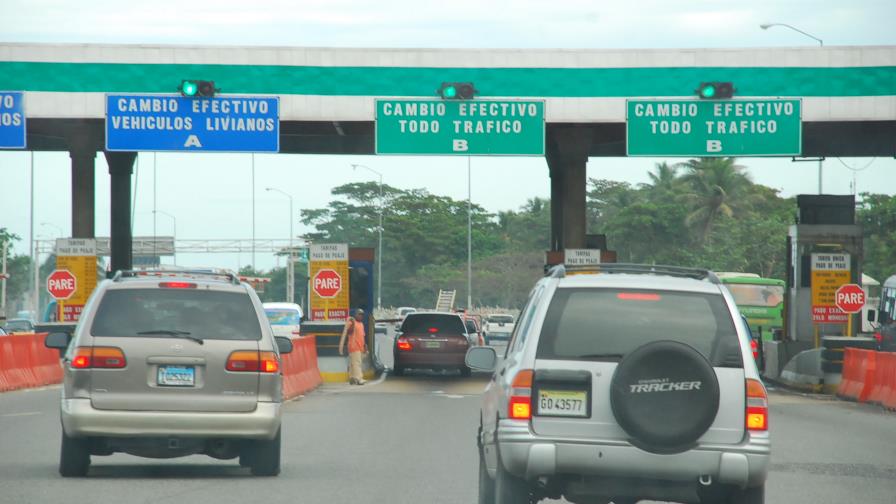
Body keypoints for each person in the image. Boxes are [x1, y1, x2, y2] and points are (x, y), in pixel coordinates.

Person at [338, 309, 368, 385]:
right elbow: (348, 332)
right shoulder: (351, 323)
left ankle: (352, 378)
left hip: (360, 347)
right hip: (354, 346)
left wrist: (365, 345)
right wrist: (352, 323)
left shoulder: (361, 324)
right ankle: (359, 378)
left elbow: (363, 336)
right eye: (359, 314)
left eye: (362, 315)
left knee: (353, 363)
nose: (361, 316)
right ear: (355, 315)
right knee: (357, 363)